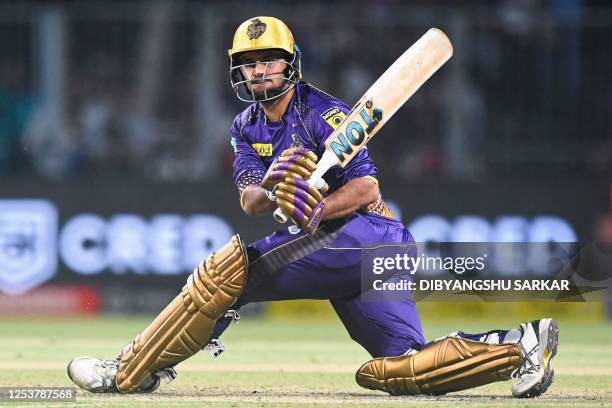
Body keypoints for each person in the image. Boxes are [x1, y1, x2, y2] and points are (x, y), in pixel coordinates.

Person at [67, 16, 558, 398]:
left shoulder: (324, 113)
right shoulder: (245, 127)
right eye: (250, 62)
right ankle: (522, 346)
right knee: (403, 367)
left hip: (364, 236)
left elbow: (366, 187)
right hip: (355, 254)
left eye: (270, 60)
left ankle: (132, 370)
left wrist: (316, 207)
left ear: (291, 63)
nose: (259, 70)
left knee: (228, 276)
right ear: (238, 70)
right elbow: (250, 200)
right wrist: (277, 187)